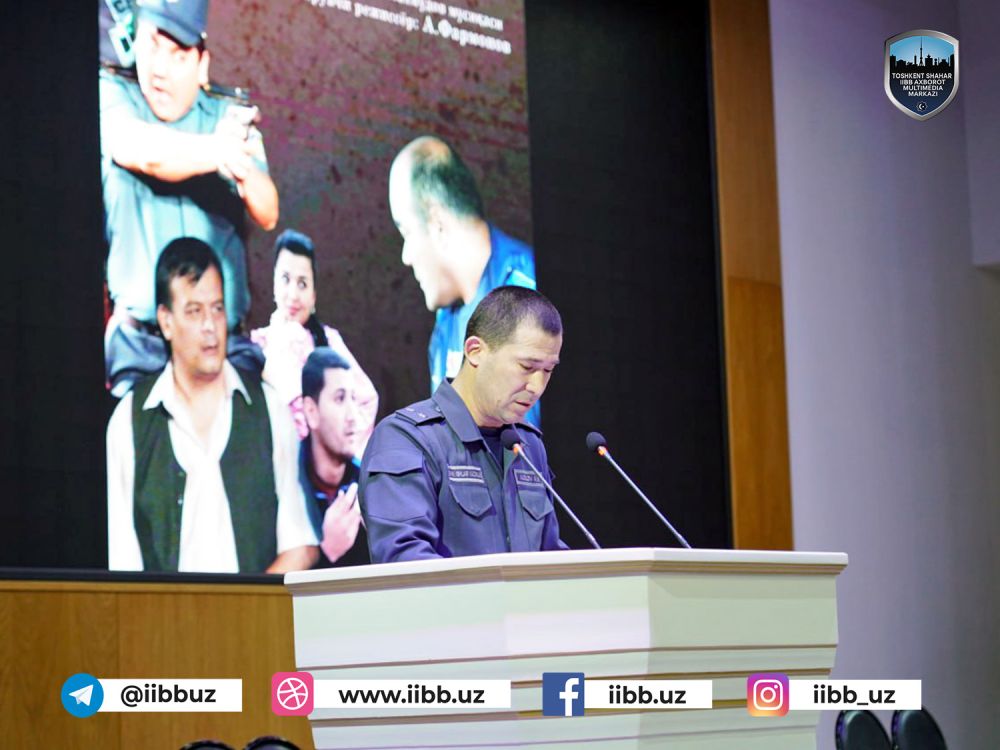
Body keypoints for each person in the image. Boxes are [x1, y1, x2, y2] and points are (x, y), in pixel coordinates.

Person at [107, 238, 318, 573]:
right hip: (165, 610)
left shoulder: (268, 408)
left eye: (217, 308)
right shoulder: (130, 422)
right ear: (166, 321)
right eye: (194, 311)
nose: (210, 326)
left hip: (258, 607)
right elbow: (123, 566)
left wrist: (247, 605)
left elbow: (301, 545)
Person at [101, 0, 279, 396]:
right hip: (141, 347)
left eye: (178, 55)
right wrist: (217, 151)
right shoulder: (113, 95)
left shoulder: (227, 115)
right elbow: (140, 150)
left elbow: (268, 212)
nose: (160, 69)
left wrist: (243, 166)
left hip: (222, 346)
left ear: (202, 65)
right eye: (152, 46)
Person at [359, 286, 568, 562]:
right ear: (475, 351)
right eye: (527, 367)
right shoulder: (406, 439)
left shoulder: (528, 445)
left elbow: (550, 557)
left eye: (548, 370)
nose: (537, 386)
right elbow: (405, 560)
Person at [388, 136, 541, 427]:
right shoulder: (446, 323)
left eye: (406, 233)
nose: (405, 257)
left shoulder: (530, 294)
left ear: (437, 222)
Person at [251, 229, 378, 445]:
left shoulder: (329, 342)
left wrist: (339, 447)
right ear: (273, 284)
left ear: (313, 296)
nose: (293, 294)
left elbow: (367, 400)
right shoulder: (257, 345)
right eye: (285, 279)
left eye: (302, 284)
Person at [300, 348, 370, 567]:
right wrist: (326, 552)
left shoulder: (369, 485)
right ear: (311, 411)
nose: (353, 416)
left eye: (354, 399)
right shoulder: (288, 486)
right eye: (340, 399)